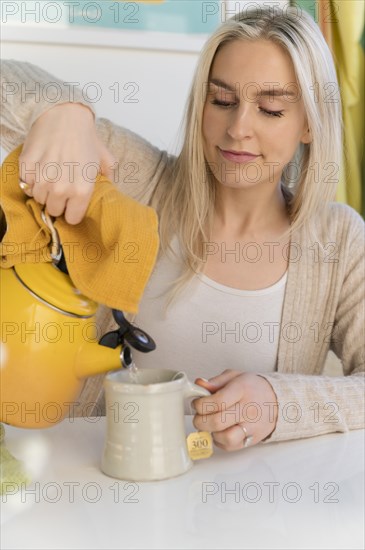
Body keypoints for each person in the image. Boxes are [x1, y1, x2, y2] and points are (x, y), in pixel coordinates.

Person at [1, 6, 364, 452]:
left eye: (270, 109)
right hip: (95, 495)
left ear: (308, 122)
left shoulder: (341, 242)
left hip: (252, 511)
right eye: (222, 101)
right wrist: (64, 113)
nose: (238, 129)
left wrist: (277, 401)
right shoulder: (133, 178)